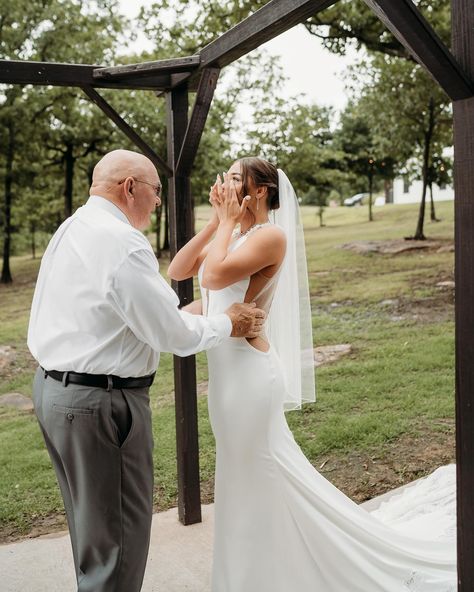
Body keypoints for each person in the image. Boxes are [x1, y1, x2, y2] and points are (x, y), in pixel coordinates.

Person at [168, 156, 457, 592]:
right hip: (225, 382)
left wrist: (225, 222)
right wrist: (215, 221)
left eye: (233, 178)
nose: (223, 184)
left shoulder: (269, 237)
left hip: (249, 378)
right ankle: (250, 573)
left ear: (259, 190)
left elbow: (211, 277)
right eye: (223, 177)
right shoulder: (234, 233)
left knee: (259, 473)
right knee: (239, 477)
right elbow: (178, 270)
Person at [27, 149, 266, 592]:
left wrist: (199, 313)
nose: (158, 202)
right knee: (118, 544)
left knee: (95, 535)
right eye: (156, 191)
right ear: (130, 187)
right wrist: (225, 323)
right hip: (101, 405)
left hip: (54, 391)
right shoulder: (121, 242)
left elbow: (131, 314)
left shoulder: (74, 227)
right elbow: (171, 334)